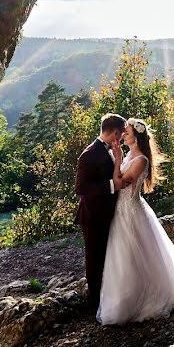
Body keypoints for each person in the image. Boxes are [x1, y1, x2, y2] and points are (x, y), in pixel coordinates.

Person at [97, 117, 174, 324]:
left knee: (135, 254)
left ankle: (146, 299)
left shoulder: (141, 160)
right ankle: (126, 298)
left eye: (127, 132)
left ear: (136, 136)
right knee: (123, 257)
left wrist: (118, 159)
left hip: (130, 211)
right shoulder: (131, 154)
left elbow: (120, 183)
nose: (123, 135)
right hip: (120, 211)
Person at [75, 113, 125, 314]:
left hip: (106, 215)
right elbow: (81, 187)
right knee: (95, 262)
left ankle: (107, 301)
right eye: (120, 135)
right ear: (114, 133)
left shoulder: (110, 149)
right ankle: (95, 307)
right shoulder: (89, 153)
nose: (121, 139)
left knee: (106, 259)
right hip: (93, 217)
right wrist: (114, 185)